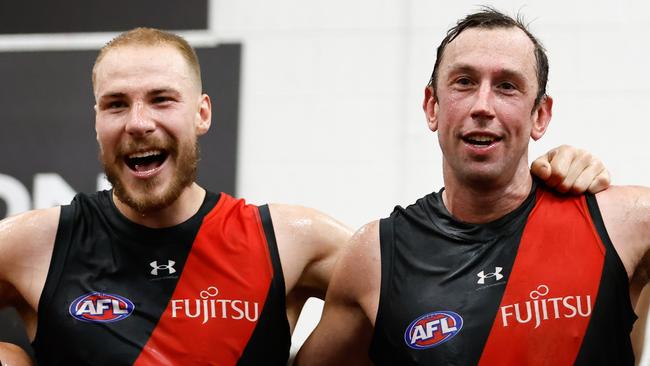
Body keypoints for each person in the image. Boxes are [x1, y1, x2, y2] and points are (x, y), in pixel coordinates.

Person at [0, 27, 610, 365]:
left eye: (162, 99)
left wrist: (549, 193)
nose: (138, 122)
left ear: (202, 113)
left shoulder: (292, 241)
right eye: (116, 104)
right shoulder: (33, 245)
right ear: (96, 119)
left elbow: (447, 285)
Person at [296, 8, 649, 366]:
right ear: (432, 106)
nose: (483, 106)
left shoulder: (623, 222)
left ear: (539, 116)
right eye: (464, 82)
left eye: (507, 86)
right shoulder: (374, 259)